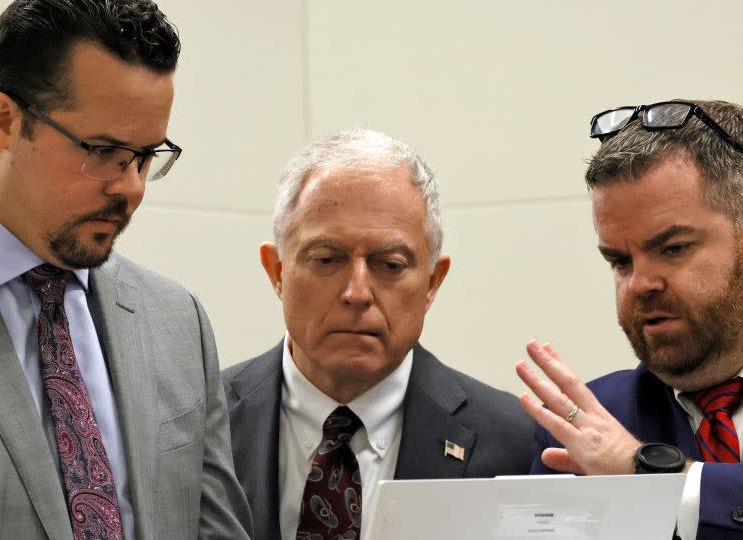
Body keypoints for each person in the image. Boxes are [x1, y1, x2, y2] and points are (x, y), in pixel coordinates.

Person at [0, 1, 250, 538]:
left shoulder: (178, 322)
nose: (131, 187)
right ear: (4, 121)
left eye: (146, 155)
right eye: (102, 151)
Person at [516, 100, 743, 539]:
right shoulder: (587, 428)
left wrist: (645, 476)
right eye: (620, 261)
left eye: (673, 249)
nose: (639, 284)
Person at [221, 128, 541, 540]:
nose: (357, 293)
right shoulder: (194, 428)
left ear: (431, 283)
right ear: (277, 271)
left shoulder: (516, 443)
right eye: (326, 259)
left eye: (389, 265)